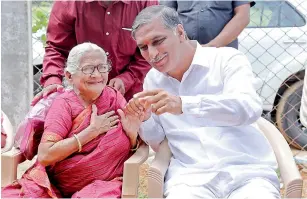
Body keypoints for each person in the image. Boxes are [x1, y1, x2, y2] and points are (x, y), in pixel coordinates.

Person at [123, 5, 281, 199]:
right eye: (144, 47)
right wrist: (144, 120)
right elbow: (159, 143)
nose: (153, 54)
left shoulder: (226, 59)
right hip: (190, 179)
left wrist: (184, 104)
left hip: (247, 174)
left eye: (158, 41)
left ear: (180, 32)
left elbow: (248, 107)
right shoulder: (153, 80)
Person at [2, 43, 141, 198]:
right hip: (57, 186)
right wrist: (91, 132)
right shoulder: (64, 104)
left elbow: (131, 147)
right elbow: (45, 155)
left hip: (107, 184)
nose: (97, 75)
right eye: (88, 69)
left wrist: (132, 134)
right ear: (69, 76)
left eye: (102, 67)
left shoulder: (114, 97)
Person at [31, 0, 158, 105]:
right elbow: (57, 48)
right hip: (82, 94)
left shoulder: (145, 3)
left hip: (131, 96)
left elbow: (152, 49)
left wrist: (128, 78)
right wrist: (53, 81)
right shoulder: (68, 3)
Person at [160, 1, 254, 48]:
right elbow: (166, 16)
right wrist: (187, 44)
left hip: (224, 53)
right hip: (185, 54)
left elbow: (243, 16)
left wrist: (213, 46)